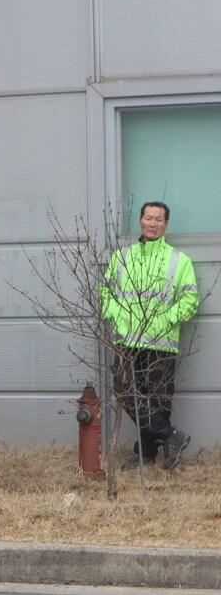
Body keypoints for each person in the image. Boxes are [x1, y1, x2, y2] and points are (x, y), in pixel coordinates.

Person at [103, 201, 199, 470]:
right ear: (140, 222)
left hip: (161, 343)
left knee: (157, 400)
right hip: (127, 340)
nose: (153, 223)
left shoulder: (179, 261)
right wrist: (117, 316)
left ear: (165, 224)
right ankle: (170, 437)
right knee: (124, 391)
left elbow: (190, 299)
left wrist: (165, 320)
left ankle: (147, 454)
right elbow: (105, 292)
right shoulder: (122, 258)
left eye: (158, 219)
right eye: (148, 217)